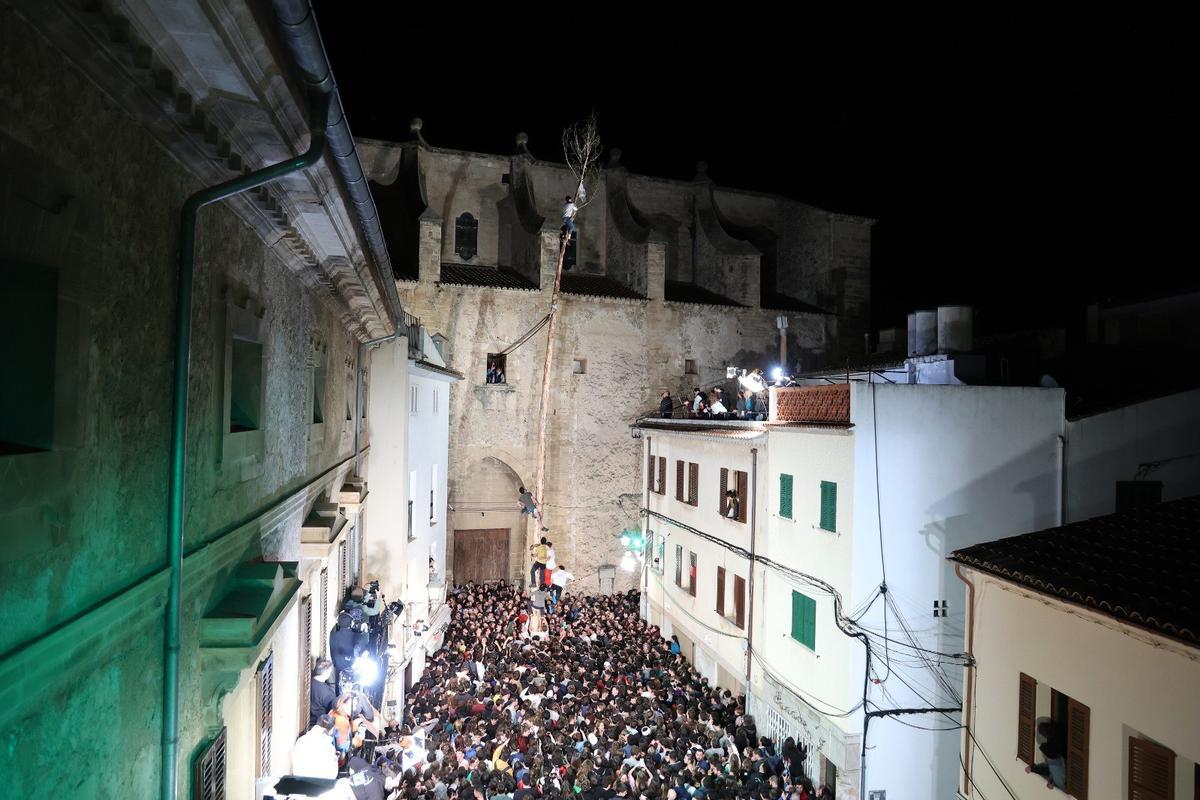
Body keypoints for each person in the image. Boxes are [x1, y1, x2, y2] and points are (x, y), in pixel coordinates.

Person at [292, 713, 339, 779]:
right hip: (318, 785)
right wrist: (335, 761)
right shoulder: (328, 747)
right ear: (330, 731)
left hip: (300, 782)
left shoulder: (301, 740)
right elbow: (332, 775)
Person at [330, 610, 368, 691]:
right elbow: (362, 653)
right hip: (353, 669)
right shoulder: (358, 636)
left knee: (339, 688)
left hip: (339, 667)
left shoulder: (333, 635)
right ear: (351, 623)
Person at [310, 657, 338, 727]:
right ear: (326, 672)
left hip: (309, 721)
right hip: (320, 724)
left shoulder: (309, 681)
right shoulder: (327, 693)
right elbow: (333, 711)